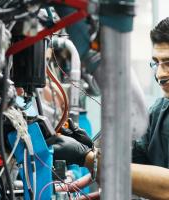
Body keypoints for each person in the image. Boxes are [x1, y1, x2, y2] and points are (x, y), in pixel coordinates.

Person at [51, 17, 169, 200]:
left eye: (168, 63)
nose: (160, 74)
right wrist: (90, 147)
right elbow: (134, 161)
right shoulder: (161, 111)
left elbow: (166, 188)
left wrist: (87, 158)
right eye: (156, 63)